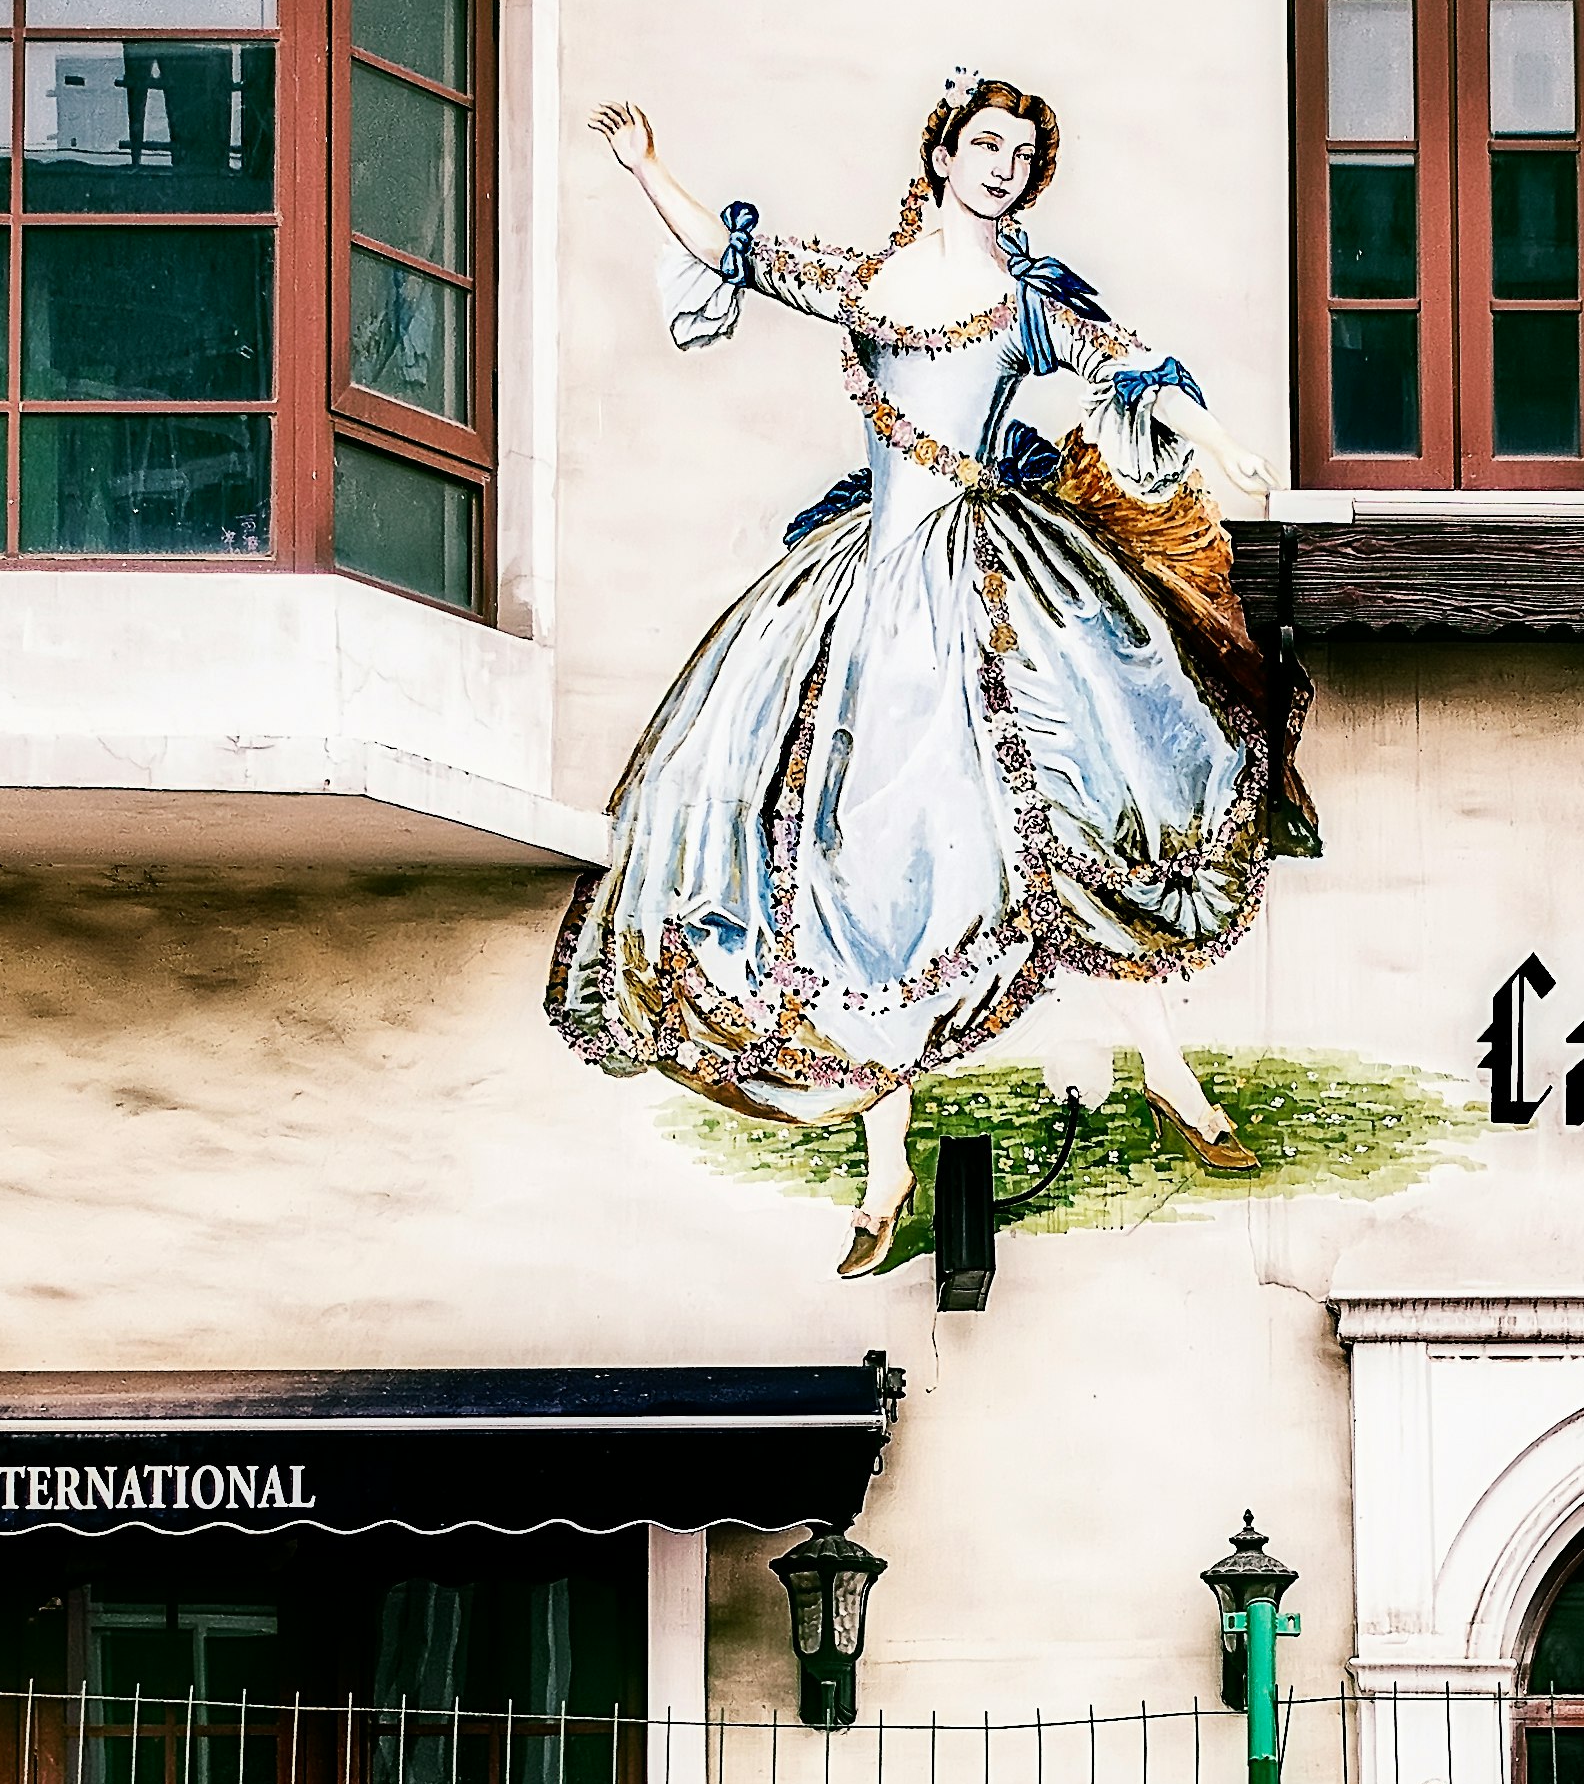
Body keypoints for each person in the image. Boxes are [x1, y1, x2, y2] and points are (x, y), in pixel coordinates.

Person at [555, 71, 1318, 1277]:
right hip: (866, 599)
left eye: (1023, 153)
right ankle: (886, 1169)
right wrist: (648, 162)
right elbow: (735, 262)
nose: (1004, 167)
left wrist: (1220, 443)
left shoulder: (1026, 304)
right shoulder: (870, 281)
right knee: (859, 855)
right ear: (944, 155)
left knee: (1065, 828)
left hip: (993, 590)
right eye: (987, 146)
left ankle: (1170, 1077)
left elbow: (1135, 368)